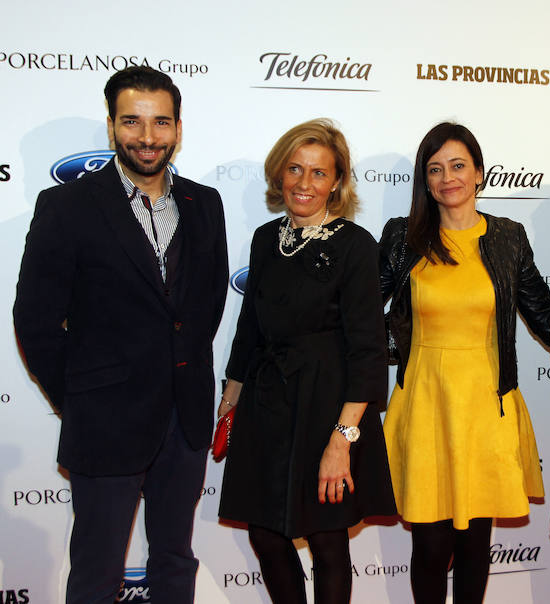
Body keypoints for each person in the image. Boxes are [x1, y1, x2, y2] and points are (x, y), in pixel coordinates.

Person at [13, 66, 228, 603]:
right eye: (132, 121)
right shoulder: (67, 207)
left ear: (179, 128)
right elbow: (35, 322)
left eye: (161, 122)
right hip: (104, 421)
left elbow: (207, 306)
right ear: (111, 126)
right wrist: (84, 398)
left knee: (176, 561)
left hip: (185, 419)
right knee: (96, 572)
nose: (148, 137)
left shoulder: (206, 205)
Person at [217, 118, 395, 604]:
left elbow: (368, 348)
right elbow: (249, 323)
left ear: (336, 181)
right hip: (266, 401)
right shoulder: (263, 238)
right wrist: (231, 396)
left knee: (326, 537)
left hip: (328, 405)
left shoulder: (356, 245)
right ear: (280, 174)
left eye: (319, 173)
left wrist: (343, 439)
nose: (304, 183)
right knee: (266, 533)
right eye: (295, 169)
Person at [379, 122, 550, 603]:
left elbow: (543, 315)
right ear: (425, 180)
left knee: (475, 544)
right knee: (431, 545)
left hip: (486, 407)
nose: (447, 178)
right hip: (425, 402)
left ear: (479, 172)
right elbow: (364, 312)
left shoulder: (507, 237)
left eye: (458, 166)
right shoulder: (403, 236)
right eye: (435, 169)